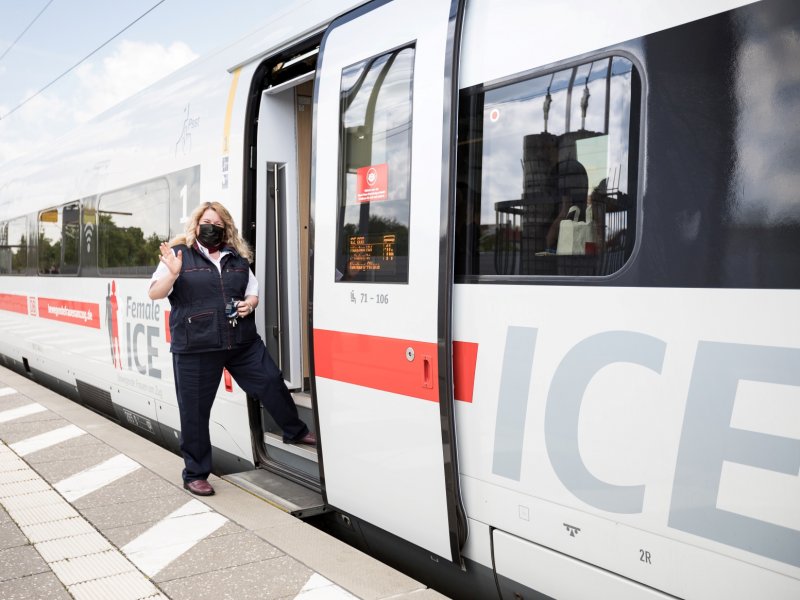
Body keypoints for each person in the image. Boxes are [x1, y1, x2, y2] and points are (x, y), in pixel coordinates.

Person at [148, 201, 316, 497]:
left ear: (226, 229)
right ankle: (195, 474)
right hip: (196, 347)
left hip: (240, 342)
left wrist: (248, 305)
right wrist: (173, 273)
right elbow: (154, 293)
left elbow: (253, 292)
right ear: (197, 225)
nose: (210, 228)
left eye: (216, 224)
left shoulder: (237, 258)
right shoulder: (178, 255)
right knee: (195, 413)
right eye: (205, 222)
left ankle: (296, 431)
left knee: (270, 380)